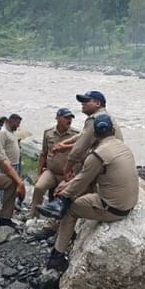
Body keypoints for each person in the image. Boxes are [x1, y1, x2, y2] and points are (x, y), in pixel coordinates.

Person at [37, 115, 138, 271]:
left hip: (114, 209)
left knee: (70, 211)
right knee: (77, 192)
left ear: (95, 134)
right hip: (129, 204)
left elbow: (83, 180)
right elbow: (85, 179)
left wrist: (63, 193)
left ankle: (56, 256)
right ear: (112, 130)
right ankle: (61, 212)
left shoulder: (98, 155)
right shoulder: (123, 147)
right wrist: (69, 186)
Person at [55, 91, 123, 181]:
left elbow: (79, 149)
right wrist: (65, 142)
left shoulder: (95, 119)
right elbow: (83, 135)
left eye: (86, 101)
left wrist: (67, 169)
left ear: (98, 103)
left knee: (65, 190)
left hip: (106, 165)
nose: (82, 103)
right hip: (115, 161)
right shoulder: (105, 116)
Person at [32, 108, 78, 219]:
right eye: (66, 118)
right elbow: (43, 154)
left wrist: (74, 175)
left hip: (66, 175)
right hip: (51, 172)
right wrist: (38, 174)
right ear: (58, 118)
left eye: (70, 118)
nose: (69, 120)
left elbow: (79, 156)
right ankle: (34, 216)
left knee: (62, 195)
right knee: (38, 187)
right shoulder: (48, 133)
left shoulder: (76, 135)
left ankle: (57, 221)